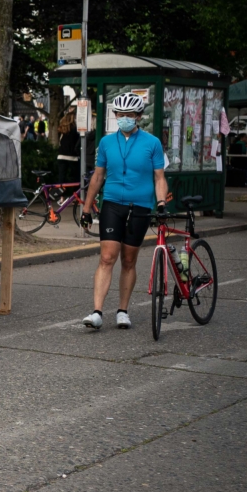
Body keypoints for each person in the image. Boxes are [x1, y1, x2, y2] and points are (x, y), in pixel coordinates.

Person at [80, 93, 168, 330]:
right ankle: (97, 312)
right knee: (107, 257)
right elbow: (98, 176)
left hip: (139, 206)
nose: (124, 118)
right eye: (120, 114)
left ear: (139, 116)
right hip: (112, 204)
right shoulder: (107, 142)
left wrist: (160, 204)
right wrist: (86, 209)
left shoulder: (152, 143)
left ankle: (122, 311)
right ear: (115, 115)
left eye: (129, 115)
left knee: (128, 260)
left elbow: (159, 177)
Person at [55, 113, 80, 185]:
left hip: (61, 155)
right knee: (76, 178)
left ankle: (60, 195)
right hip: (72, 156)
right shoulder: (74, 130)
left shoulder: (61, 129)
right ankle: (75, 195)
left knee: (61, 178)